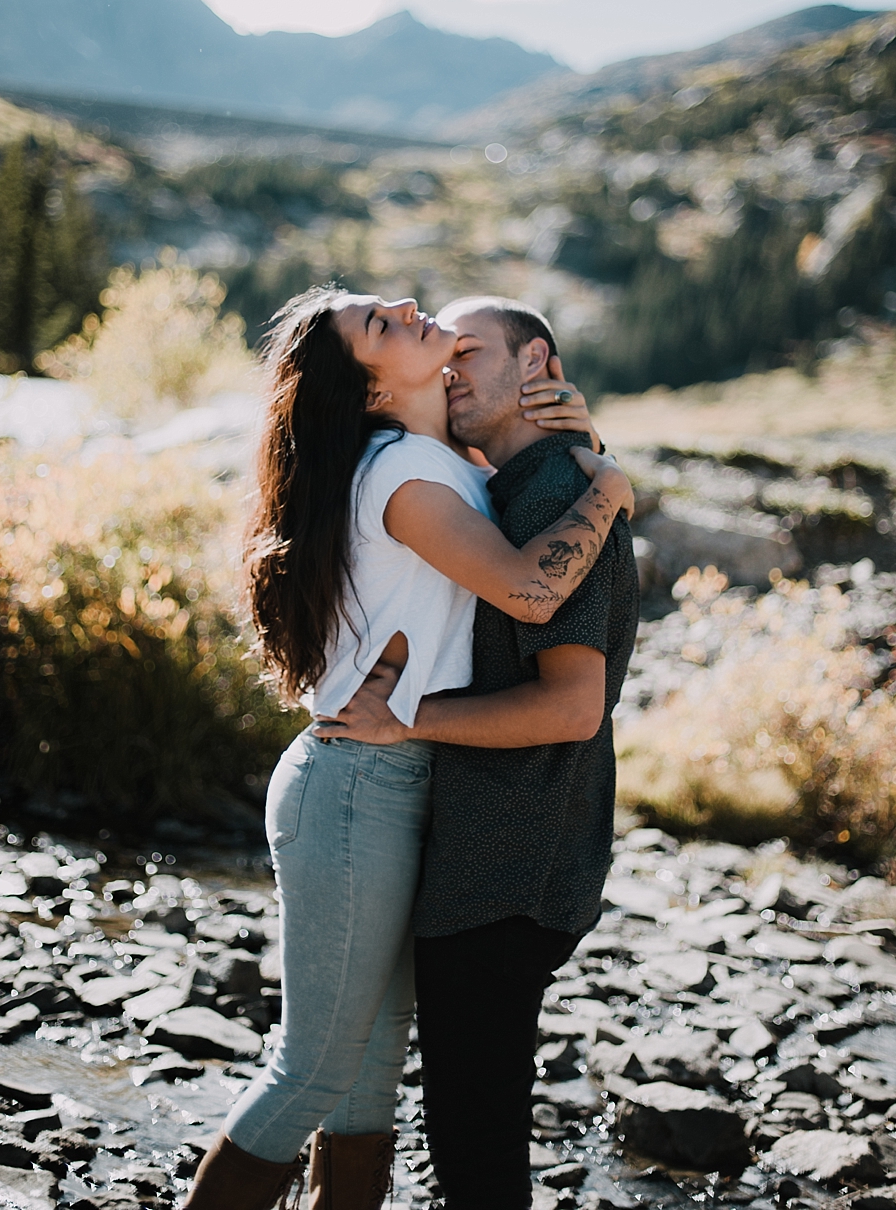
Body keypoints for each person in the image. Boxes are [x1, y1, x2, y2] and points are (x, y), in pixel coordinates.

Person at [183, 286, 634, 1210]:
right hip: (360, 781)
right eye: (379, 327)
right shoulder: (402, 474)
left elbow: (511, 436)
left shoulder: (444, 460)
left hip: (399, 781)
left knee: (367, 1076)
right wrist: (609, 491)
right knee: (313, 1069)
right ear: (370, 394)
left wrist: (578, 434)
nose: (402, 305)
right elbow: (529, 594)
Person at [318, 295, 640, 1210]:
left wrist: (405, 720)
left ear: (534, 363)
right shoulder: (510, 484)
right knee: (463, 1131)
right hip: (483, 856)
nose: (450, 368)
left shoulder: (552, 494)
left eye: (471, 353)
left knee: (477, 1150)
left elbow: (572, 707)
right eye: (441, 354)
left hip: (510, 863)